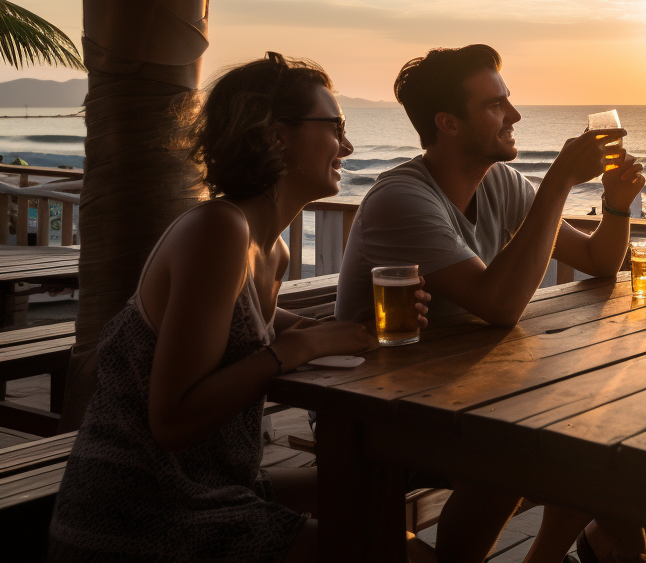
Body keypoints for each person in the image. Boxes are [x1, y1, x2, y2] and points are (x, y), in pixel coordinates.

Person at [49, 53, 427, 563]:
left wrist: (343, 329)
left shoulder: (272, 250)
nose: (348, 145)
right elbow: (171, 421)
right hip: (140, 511)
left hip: (212, 486)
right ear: (274, 136)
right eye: (335, 126)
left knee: (372, 496)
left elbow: (244, 327)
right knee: (382, 545)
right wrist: (302, 345)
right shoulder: (218, 230)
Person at [335, 45, 646, 563]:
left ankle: (608, 548)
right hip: (377, 406)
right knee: (518, 445)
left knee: (601, 418)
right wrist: (558, 180)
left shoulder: (500, 183)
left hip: (464, 387)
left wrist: (616, 203)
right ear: (449, 123)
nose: (515, 116)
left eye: (508, 101)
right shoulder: (403, 199)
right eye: (495, 106)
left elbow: (598, 260)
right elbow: (500, 304)